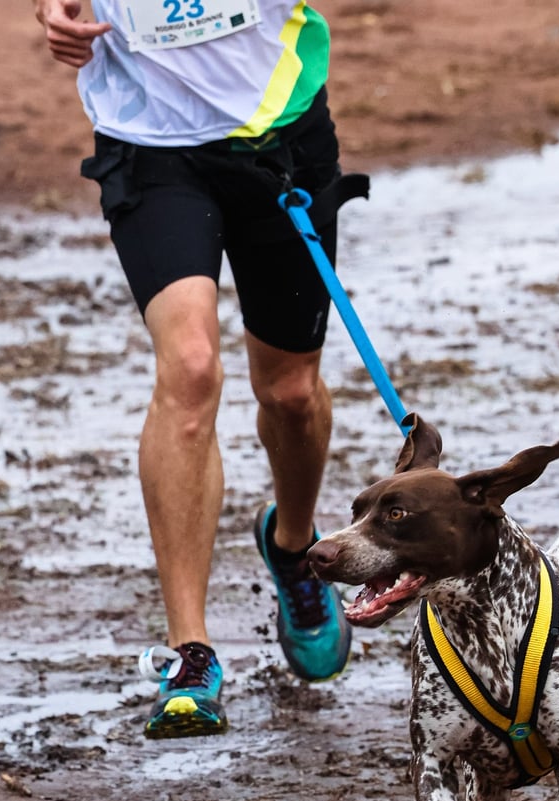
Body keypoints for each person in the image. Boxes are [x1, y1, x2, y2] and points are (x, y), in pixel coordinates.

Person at [33, 0, 361, 739]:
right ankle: (189, 653)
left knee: (291, 391)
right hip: (148, 140)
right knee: (190, 367)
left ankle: (293, 549)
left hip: (278, 126)